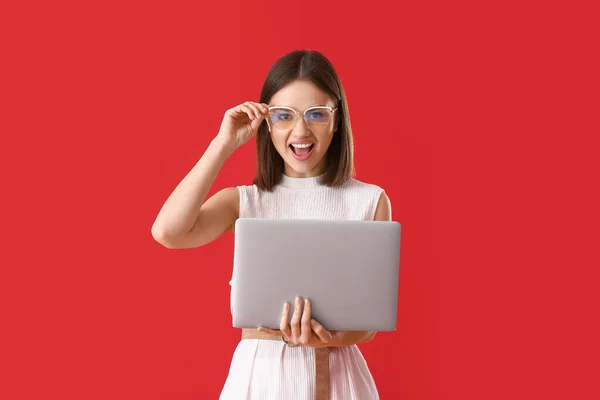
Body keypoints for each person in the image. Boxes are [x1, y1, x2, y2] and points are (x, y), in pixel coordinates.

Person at [151, 49, 392, 399]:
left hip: (337, 379)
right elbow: (168, 233)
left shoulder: (369, 201)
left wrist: (328, 337)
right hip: (259, 379)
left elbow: (368, 324)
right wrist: (223, 144)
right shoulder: (246, 201)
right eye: (283, 115)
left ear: (337, 119)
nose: (300, 130)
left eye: (317, 114)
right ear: (267, 121)